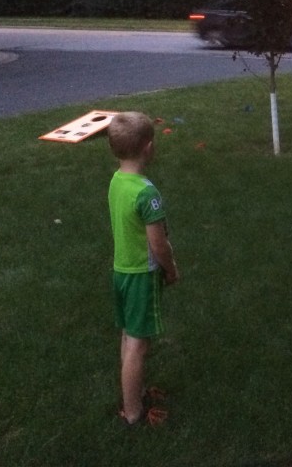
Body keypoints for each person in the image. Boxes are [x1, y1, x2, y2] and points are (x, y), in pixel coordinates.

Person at [107, 111, 180, 426]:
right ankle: (133, 412)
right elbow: (158, 244)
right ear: (149, 147)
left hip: (121, 271)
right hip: (141, 276)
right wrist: (171, 268)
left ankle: (131, 397)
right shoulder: (147, 194)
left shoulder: (117, 180)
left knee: (128, 335)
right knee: (138, 344)